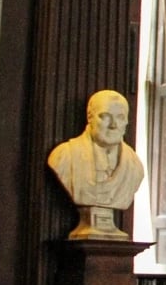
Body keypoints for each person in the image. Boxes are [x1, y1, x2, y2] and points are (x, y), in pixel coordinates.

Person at [48, 89, 144, 240]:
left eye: (120, 117)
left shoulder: (134, 166)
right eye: (105, 116)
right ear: (90, 118)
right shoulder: (64, 156)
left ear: (126, 122)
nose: (113, 125)